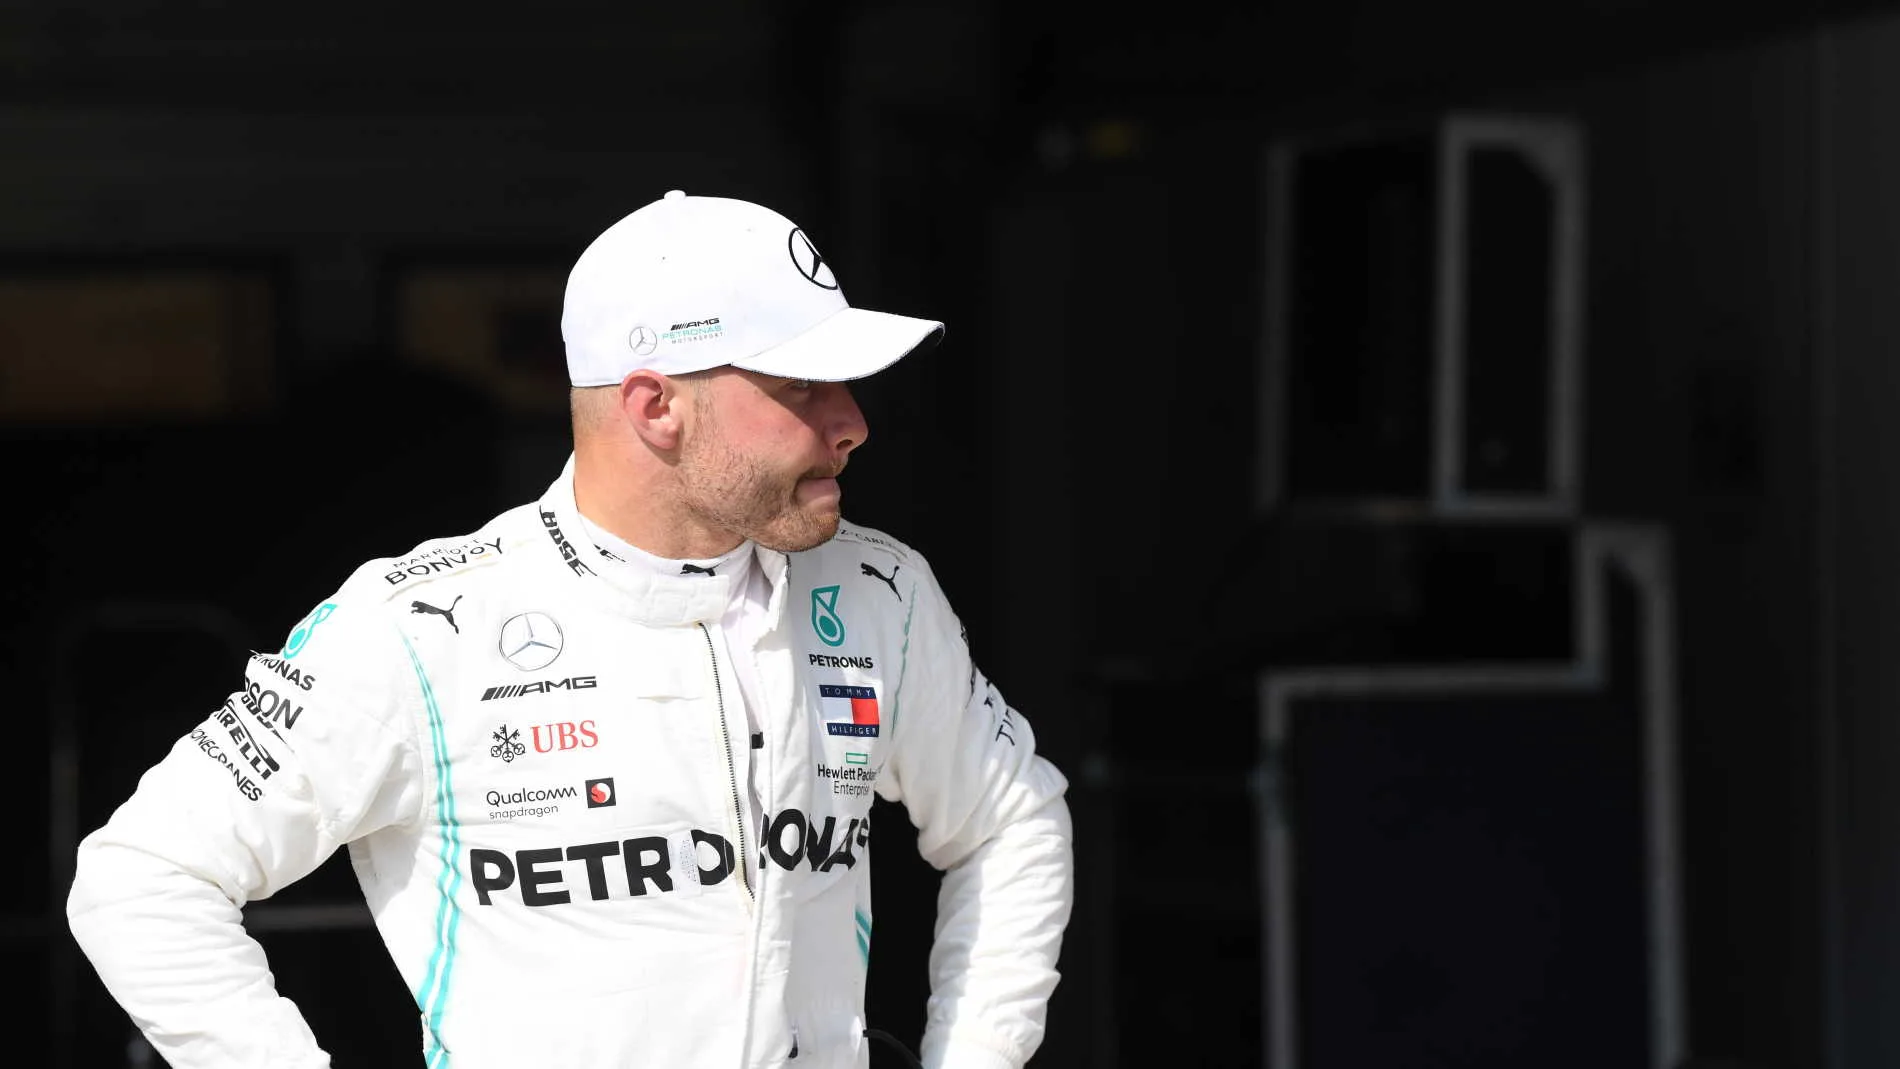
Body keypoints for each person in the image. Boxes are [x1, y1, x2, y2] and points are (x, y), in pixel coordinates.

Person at [66, 189, 1076, 1069]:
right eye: (800, 386)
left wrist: (974, 1053)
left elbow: (1011, 818)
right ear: (654, 407)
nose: (852, 419)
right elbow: (143, 877)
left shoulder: (879, 591)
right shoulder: (422, 624)